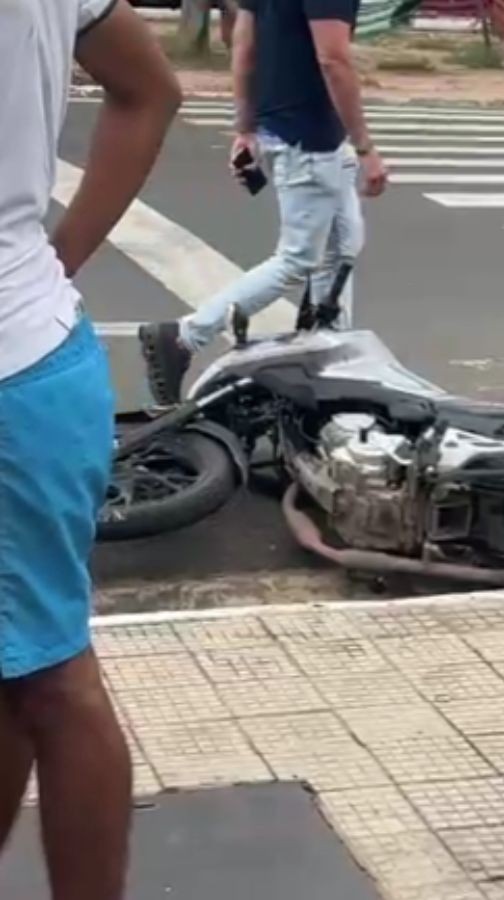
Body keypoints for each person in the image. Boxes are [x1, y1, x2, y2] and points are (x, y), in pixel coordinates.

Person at [0, 2, 180, 897]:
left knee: (51, 681)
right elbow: (148, 88)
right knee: (20, 668)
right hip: (34, 352)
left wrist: (51, 258)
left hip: (9, 383)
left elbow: (150, 91)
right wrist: (53, 259)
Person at [139, 0, 390, 406]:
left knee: (343, 246)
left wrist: (246, 127)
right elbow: (334, 59)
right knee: (297, 259)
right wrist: (366, 148)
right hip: (309, 140)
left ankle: (329, 352)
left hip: (295, 133)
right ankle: (184, 336)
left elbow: (244, 43)